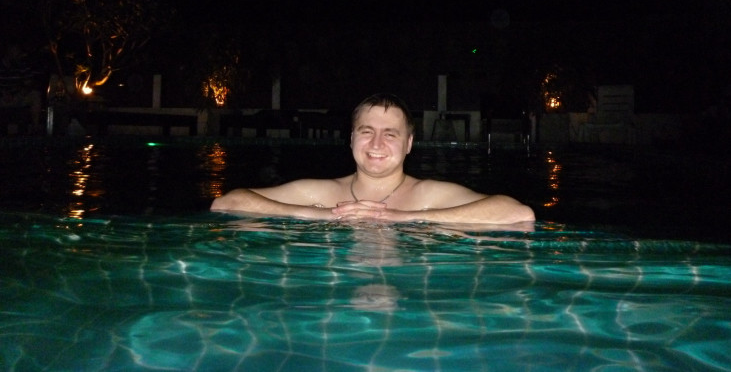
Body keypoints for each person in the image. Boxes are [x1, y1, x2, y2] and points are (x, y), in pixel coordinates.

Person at [211, 93, 535, 225]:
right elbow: (226, 203)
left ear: (409, 144)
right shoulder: (321, 193)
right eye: (366, 132)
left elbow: (518, 214)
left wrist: (402, 218)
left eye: (390, 134)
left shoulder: (428, 196)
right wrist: (322, 215)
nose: (377, 143)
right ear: (352, 138)